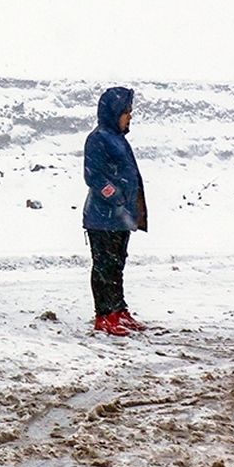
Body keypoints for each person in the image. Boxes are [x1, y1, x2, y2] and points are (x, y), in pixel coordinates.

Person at [83, 86, 148, 336]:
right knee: (104, 266)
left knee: (117, 265)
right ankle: (104, 315)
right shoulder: (98, 138)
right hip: (102, 217)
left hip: (120, 217)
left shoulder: (118, 138)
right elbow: (94, 176)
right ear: (113, 112)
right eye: (126, 112)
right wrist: (116, 197)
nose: (130, 116)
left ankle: (119, 311)